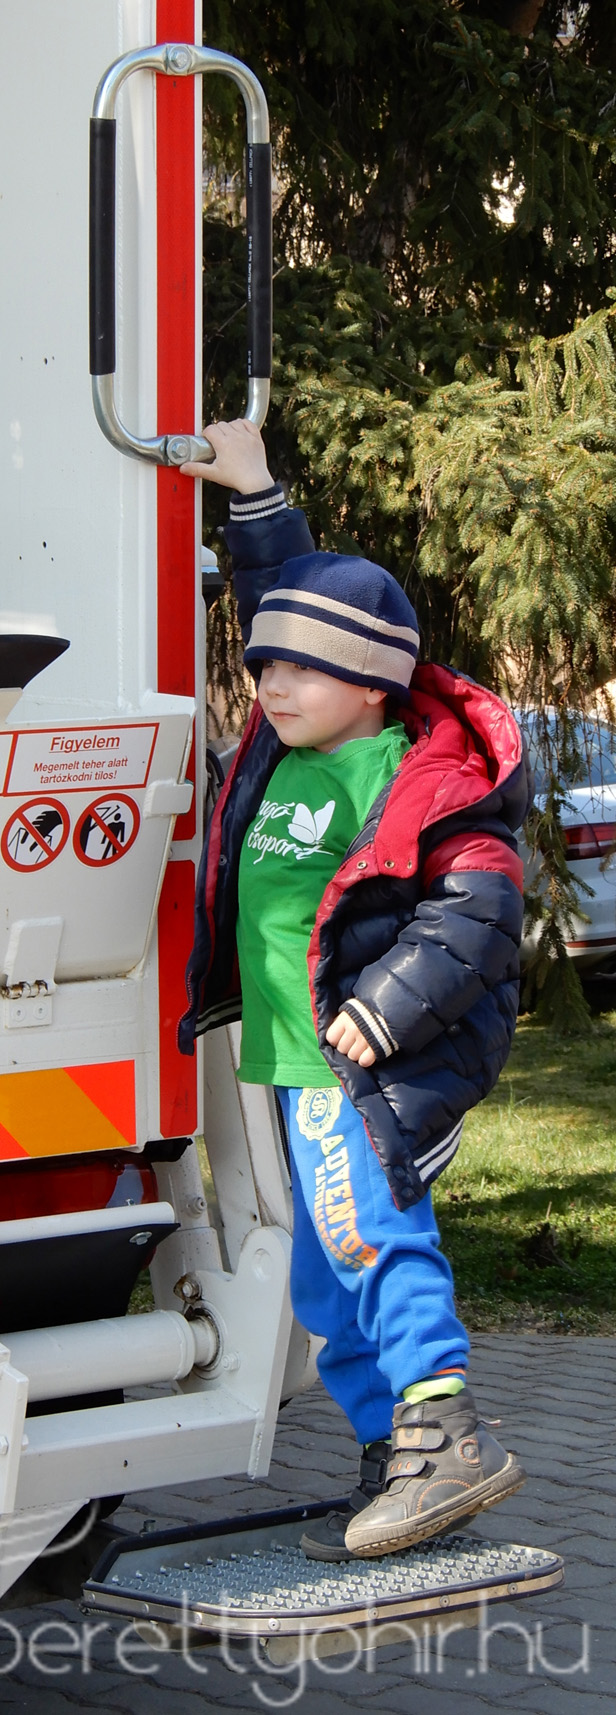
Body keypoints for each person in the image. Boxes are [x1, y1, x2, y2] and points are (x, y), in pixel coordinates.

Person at [178, 419, 528, 1560]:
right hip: (289, 1063)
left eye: (297, 670)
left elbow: (478, 911)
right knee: (325, 1284)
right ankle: (396, 1454)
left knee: (373, 1238)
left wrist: (383, 1008)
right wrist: (253, 489)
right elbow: (292, 595)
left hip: (357, 1062)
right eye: (261, 667)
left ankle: (446, 1433)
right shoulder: (285, 747)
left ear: (372, 683)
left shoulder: (417, 776)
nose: (269, 683)